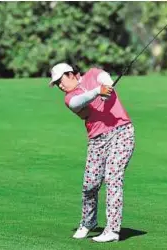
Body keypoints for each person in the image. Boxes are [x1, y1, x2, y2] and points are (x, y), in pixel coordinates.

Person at [48, 63, 135, 243]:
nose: (60, 86)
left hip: (122, 131)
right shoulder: (70, 98)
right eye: (56, 84)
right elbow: (78, 102)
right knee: (90, 185)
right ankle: (89, 222)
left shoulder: (93, 74)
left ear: (70, 73)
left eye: (60, 81)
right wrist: (97, 92)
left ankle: (112, 230)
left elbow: (104, 77)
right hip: (97, 140)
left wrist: (107, 87)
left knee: (113, 177)